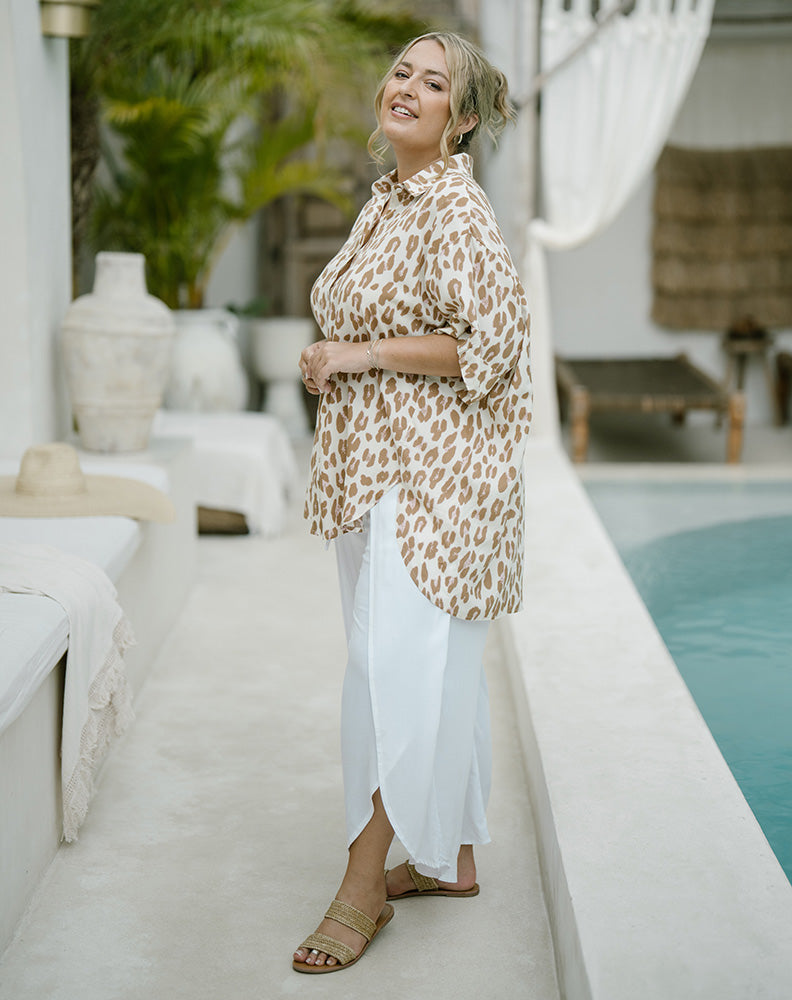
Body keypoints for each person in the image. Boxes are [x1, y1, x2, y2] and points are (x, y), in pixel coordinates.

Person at [293, 30, 532, 974]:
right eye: (402, 72)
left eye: (434, 84)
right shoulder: (389, 202)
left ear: (460, 119)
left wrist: (359, 354)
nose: (408, 88)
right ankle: (453, 858)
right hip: (378, 465)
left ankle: (364, 882)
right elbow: (372, 319)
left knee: (387, 670)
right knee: (432, 668)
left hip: (434, 481)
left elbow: (492, 341)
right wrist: (332, 355)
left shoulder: (454, 208)